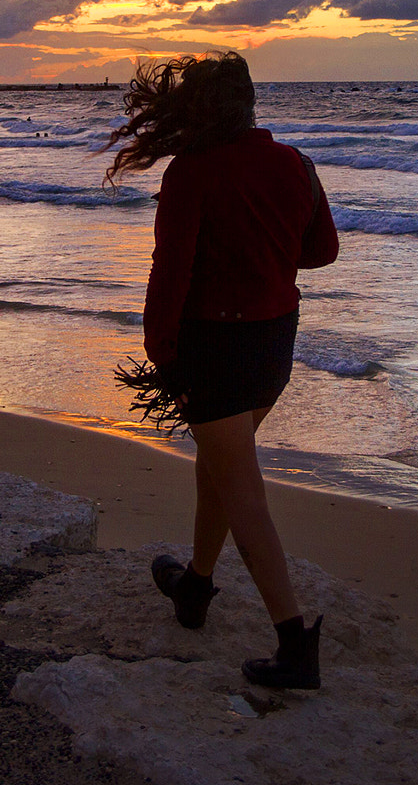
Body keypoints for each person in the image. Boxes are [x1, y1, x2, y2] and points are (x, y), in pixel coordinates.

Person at [104, 52, 339, 690]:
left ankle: (294, 645)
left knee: (241, 489)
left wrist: (161, 352)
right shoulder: (297, 163)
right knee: (220, 467)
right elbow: (321, 252)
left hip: (215, 349)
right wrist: (265, 253)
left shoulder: (192, 171)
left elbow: (170, 269)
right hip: (274, 346)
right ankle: (196, 586)